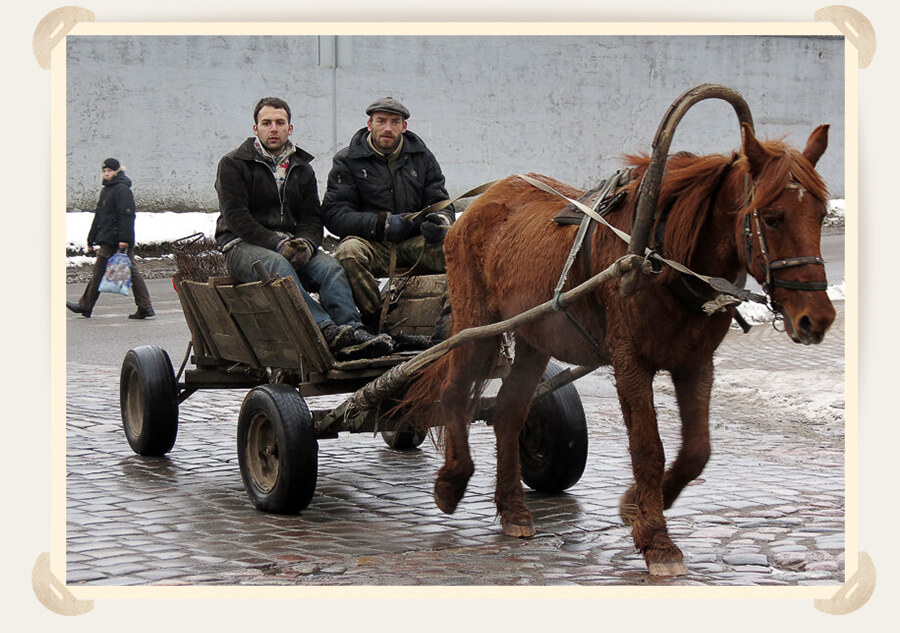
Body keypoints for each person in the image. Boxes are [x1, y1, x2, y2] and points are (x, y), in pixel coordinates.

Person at [214, 97, 393, 360]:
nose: (273, 129)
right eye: (266, 123)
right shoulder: (233, 164)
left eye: (279, 123)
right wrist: (277, 243)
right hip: (240, 245)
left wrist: (306, 244)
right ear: (256, 129)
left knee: (332, 268)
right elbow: (237, 217)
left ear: (290, 128)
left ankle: (353, 331)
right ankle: (325, 328)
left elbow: (311, 217)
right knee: (278, 267)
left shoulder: (302, 168)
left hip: (288, 243)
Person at [321, 97, 454, 334]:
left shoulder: (423, 157)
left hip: (415, 242)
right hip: (372, 244)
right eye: (381, 121)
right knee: (348, 254)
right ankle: (374, 320)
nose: (388, 128)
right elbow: (335, 214)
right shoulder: (347, 160)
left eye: (395, 122)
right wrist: (381, 224)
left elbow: (440, 201)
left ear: (404, 127)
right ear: (370, 124)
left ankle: (450, 321)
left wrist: (440, 223)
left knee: (459, 251)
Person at [66, 158, 155, 319]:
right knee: (104, 271)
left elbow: (127, 215)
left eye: (109, 171)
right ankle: (143, 306)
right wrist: (91, 239)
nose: (106, 174)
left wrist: (124, 240)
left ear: (117, 172)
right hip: (107, 237)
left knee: (120, 271)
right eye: (104, 171)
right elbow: (99, 216)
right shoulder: (107, 190)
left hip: (117, 239)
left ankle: (144, 306)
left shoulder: (122, 189)